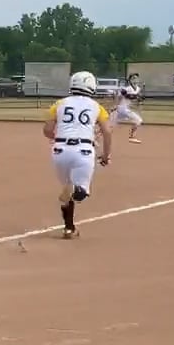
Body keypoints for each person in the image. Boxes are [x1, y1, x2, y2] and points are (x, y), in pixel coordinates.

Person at [44, 71, 114, 239]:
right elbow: (107, 132)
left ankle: (69, 228)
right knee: (80, 193)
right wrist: (105, 156)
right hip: (83, 150)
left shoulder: (59, 104)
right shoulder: (97, 107)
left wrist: (59, 137)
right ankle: (74, 188)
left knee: (67, 194)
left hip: (60, 150)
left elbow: (47, 130)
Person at [112, 72, 144, 143]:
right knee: (139, 120)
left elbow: (138, 99)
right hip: (122, 109)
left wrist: (139, 101)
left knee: (110, 126)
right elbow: (119, 96)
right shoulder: (127, 88)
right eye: (133, 78)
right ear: (130, 80)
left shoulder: (138, 89)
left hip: (124, 110)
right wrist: (115, 105)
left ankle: (94, 139)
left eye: (136, 78)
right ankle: (132, 137)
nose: (135, 80)